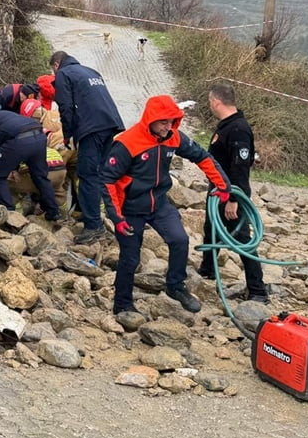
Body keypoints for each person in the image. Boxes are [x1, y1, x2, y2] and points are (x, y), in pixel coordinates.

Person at [101, 94, 231, 314]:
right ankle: (122, 304)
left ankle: (175, 286)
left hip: (159, 203)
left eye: (172, 121)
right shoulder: (127, 143)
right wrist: (117, 218)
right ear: (150, 119)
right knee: (130, 259)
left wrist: (223, 185)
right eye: (163, 122)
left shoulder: (173, 137)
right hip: (131, 208)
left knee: (180, 239)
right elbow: (107, 180)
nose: (168, 126)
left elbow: (202, 157)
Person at [197, 82, 268, 303]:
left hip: (230, 194)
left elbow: (240, 167)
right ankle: (208, 269)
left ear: (216, 101)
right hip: (217, 192)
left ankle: (257, 290)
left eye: (210, 101)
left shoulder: (238, 129)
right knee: (211, 231)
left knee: (242, 239)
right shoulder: (226, 125)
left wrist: (234, 200)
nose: (209, 105)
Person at [49, 51, 125, 245]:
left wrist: (68, 136)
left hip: (93, 129)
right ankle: (96, 215)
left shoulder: (64, 74)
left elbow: (65, 107)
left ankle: (93, 227)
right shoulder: (90, 71)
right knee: (100, 174)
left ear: (57, 65)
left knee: (87, 174)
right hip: (111, 124)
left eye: (53, 69)